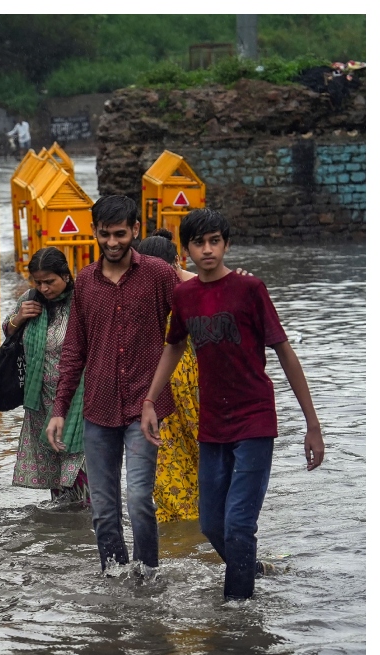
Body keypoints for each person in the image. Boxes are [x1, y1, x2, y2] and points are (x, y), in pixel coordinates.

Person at [142, 209, 325, 600]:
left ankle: (238, 616)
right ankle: (252, 569)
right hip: (213, 424)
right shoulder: (184, 296)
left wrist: (312, 424)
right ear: (186, 250)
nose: (207, 250)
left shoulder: (250, 289)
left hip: (255, 418)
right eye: (198, 243)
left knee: (239, 523)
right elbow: (173, 347)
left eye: (214, 241)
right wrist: (150, 401)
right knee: (211, 524)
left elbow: (285, 353)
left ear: (226, 244)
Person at [45, 195, 179, 577]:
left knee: (139, 499)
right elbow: (74, 351)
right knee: (103, 509)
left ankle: (148, 577)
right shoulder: (86, 281)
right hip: (99, 409)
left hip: (144, 407)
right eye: (104, 235)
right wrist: (59, 410)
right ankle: (114, 578)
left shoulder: (157, 274)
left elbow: (190, 313)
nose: (113, 242)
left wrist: (223, 279)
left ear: (135, 230)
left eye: (120, 234)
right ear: (94, 232)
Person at [5, 247, 88, 504]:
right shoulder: (30, 301)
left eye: (49, 281)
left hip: (77, 399)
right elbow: (8, 333)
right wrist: (19, 318)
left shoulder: (81, 302)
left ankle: (89, 524)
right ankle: (63, 530)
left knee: (79, 462)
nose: (44, 288)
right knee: (55, 468)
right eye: (38, 282)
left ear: (65, 275)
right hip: (41, 400)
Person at [137, 230, 201, 523]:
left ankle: (175, 531)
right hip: (182, 379)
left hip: (155, 385)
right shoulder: (188, 288)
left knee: (164, 456)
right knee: (193, 449)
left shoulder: (139, 290)